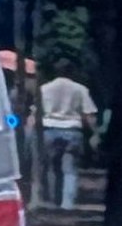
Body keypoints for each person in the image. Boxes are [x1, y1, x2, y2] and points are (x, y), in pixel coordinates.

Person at [38, 69, 98, 210]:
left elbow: (37, 112)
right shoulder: (80, 89)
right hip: (72, 130)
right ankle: (67, 204)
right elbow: (88, 114)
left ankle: (54, 200)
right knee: (70, 169)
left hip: (49, 128)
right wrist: (95, 133)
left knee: (52, 167)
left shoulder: (43, 89)